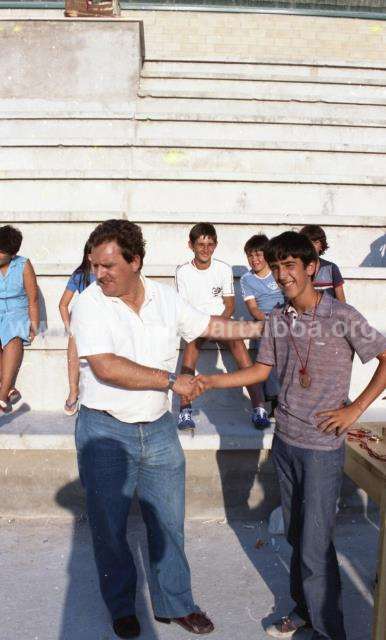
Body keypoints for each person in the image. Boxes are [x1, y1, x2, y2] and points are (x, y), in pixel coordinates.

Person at [70, 219, 263, 639]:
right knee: (109, 528)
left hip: (157, 429)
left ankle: (175, 603)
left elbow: (210, 326)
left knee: (169, 523)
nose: (98, 274)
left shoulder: (165, 298)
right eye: (94, 265)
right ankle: (122, 606)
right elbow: (106, 367)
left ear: (135, 260)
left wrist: (262, 328)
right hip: (106, 433)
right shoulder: (88, 303)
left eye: (107, 265)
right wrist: (171, 380)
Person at [195, 231, 386, 640]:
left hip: (322, 449)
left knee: (316, 546)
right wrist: (211, 382)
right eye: (277, 267)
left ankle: (329, 631)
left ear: (311, 268)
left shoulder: (342, 316)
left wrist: (355, 410)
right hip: (286, 442)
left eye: (290, 266)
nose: (283, 276)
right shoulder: (278, 319)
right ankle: (303, 611)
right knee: (298, 536)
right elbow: (262, 371)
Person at [175, 222, 266, 431]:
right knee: (190, 352)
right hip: (196, 323)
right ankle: (185, 409)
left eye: (210, 244)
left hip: (222, 320)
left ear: (216, 245)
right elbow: (183, 307)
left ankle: (258, 407)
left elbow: (230, 304)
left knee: (240, 348)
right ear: (191, 245)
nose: (206, 249)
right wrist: (204, 325)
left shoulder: (223, 268)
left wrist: (218, 324)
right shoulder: (183, 272)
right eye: (200, 244)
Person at [240, 234, 284, 421]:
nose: (254, 260)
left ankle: (283, 402)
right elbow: (253, 309)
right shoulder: (246, 279)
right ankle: (271, 402)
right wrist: (270, 322)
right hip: (264, 323)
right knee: (265, 359)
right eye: (250, 256)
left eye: (258, 255)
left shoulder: (278, 272)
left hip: (286, 320)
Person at [0, 225, 39, 415]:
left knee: (13, 337)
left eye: (1, 252)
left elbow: (32, 298)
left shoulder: (23, 265)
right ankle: (9, 390)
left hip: (17, 312)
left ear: (12, 253)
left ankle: (1, 396)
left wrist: (34, 324)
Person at [58, 241, 96, 415]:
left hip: (104, 322)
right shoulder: (80, 274)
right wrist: (69, 328)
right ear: (89, 255)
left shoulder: (110, 274)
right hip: (82, 320)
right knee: (73, 353)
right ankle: (73, 392)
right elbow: (63, 304)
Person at [300, 224, 346, 301]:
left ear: (322, 245)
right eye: (308, 242)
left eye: (315, 242)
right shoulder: (297, 268)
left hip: (328, 312)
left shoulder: (331, 268)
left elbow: (341, 301)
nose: (311, 246)